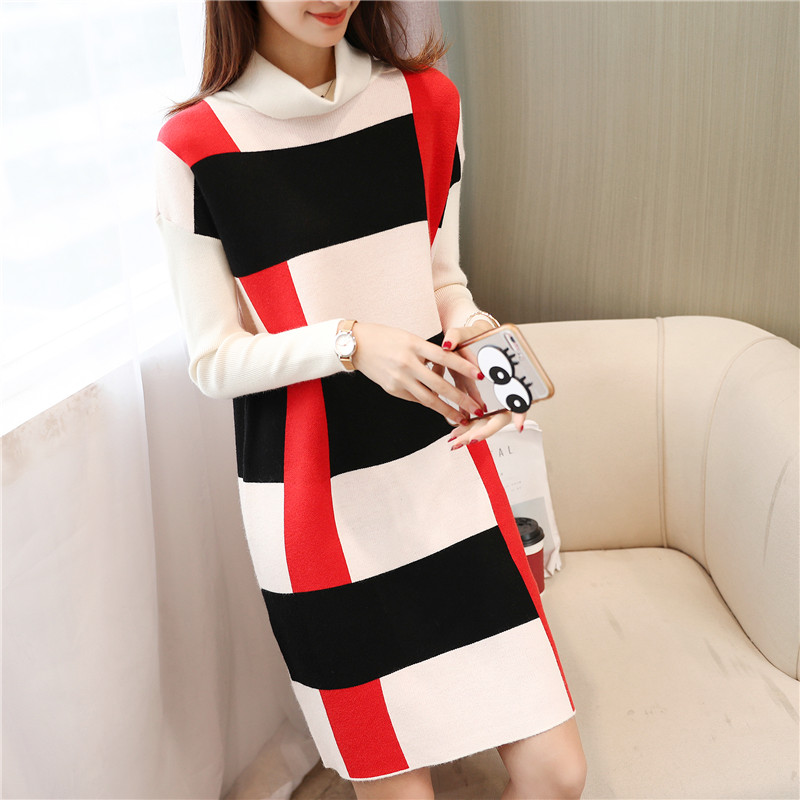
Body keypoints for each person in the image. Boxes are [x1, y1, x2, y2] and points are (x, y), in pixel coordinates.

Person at [154, 2, 586, 798]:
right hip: (315, 503)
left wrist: (483, 347)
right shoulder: (195, 148)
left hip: (439, 474)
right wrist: (350, 343)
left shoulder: (426, 103)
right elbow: (213, 361)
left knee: (558, 776)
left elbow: (443, 281)